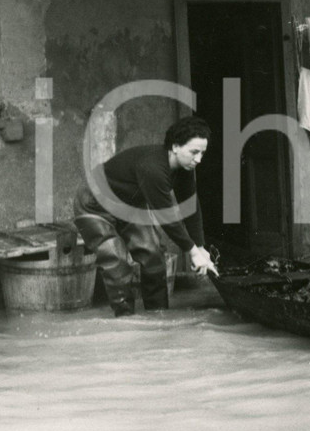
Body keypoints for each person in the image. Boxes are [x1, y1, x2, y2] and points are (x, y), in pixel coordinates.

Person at [73, 115, 218, 317]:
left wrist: (200, 247)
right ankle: (126, 319)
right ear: (175, 146)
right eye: (194, 152)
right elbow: (167, 217)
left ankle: (159, 316)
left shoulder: (185, 167)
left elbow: (191, 208)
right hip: (95, 205)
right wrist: (192, 252)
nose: (199, 159)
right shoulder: (152, 168)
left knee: (153, 254)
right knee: (116, 261)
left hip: (129, 205)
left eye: (202, 153)